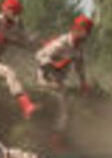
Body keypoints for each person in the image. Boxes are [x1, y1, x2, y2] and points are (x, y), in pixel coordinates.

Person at [34, 14, 94, 148]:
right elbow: (39, 55)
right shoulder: (61, 43)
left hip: (59, 82)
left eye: (88, 32)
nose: (87, 36)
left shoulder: (78, 48)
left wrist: (83, 83)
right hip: (45, 79)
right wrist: (54, 64)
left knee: (68, 105)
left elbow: (80, 66)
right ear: (77, 29)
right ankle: (55, 141)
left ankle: (61, 139)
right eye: (85, 32)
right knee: (63, 109)